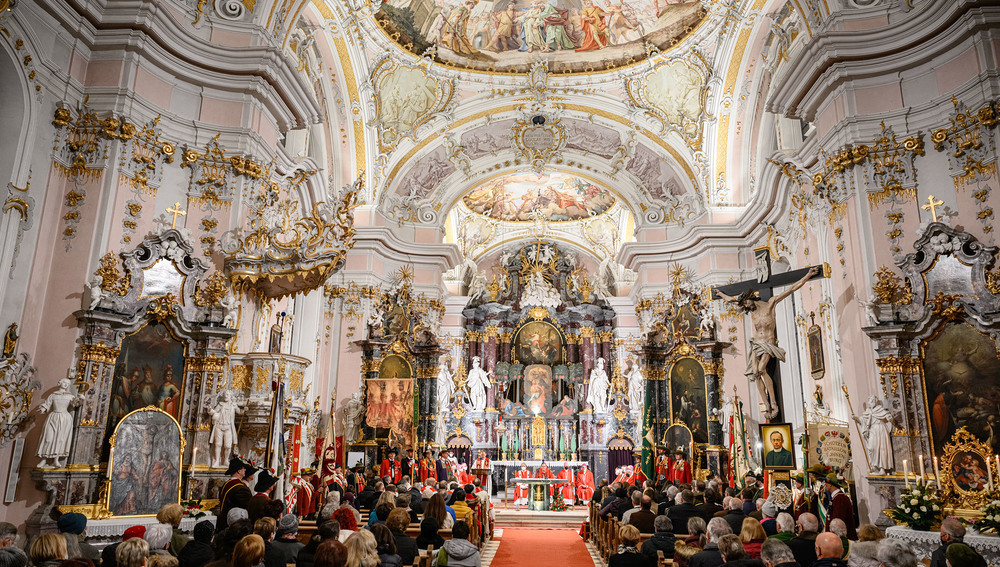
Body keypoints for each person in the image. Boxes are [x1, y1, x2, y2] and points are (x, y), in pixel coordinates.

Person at [717, 266, 819, 418]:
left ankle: (774, 403)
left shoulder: (770, 303)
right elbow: (730, 299)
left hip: (769, 343)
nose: (745, 307)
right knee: (756, 374)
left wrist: (807, 276)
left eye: (745, 303)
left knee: (761, 369)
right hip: (757, 344)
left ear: (750, 298)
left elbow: (790, 289)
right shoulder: (752, 311)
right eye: (744, 305)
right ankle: (766, 404)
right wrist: (719, 293)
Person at [219, 458, 256, 530]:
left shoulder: (227, 484)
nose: (245, 469)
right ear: (239, 471)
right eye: (243, 468)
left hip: (224, 521)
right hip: (235, 525)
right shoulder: (240, 488)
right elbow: (248, 507)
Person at [822, 474, 856, 540]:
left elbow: (838, 521)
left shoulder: (840, 499)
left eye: (826, 483)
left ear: (830, 484)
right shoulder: (837, 497)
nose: (825, 485)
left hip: (841, 538)